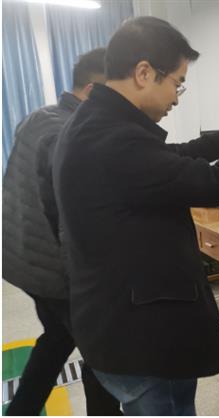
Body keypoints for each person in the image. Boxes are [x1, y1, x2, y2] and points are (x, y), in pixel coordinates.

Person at [52, 16, 219, 416]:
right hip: (139, 339)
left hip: (121, 320)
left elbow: (166, 157)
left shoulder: (97, 123)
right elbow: (214, 183)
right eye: (177, 83)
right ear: (144, 73)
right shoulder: (112, 139)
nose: (178, 98)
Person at [2, 48, 121, 415]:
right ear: (92, 90)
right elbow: (69, 217)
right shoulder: (66, 132)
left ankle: (22, 409)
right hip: (51, 269)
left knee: (57, 337)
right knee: (102, 352)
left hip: (23, 259)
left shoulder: (41, 117)